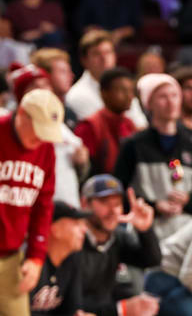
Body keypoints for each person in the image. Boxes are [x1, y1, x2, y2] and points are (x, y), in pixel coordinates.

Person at [114, 73, 192, 239]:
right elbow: (120, 192)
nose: (170, 102)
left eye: (174, 95)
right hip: (145, 233)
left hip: (185, 233)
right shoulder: (134, 145)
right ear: (149, 104)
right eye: (163, 97)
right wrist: (154, 206)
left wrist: (188, 201)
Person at [0, 89, 63, 316]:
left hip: (11, 257)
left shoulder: (45, 149)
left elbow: (43, 206)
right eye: (38, 129)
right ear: (22, 114)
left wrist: (36, 256)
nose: (40, 138)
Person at [78, 174, 161, 316]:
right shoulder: (72, 240)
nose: (113, 211)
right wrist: (120, 309)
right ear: (85, 203)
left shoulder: (118, 237)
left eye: (117, 204)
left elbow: (151, 260)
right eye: (105, 203)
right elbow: (69, 302)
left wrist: (145, 230)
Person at [9, 64, 89, 209]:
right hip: (28, 204)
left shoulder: (58, 124)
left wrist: (82, 161)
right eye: (34, 86)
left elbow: (81, 166)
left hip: (67, 203)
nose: (42, 90)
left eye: (45, 84)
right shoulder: (11, 127)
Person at [65, 29, 147, 129]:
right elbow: (103, 130)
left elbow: (141, 125)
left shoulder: (125, 86)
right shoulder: (77, 95)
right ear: (84, 60)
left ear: (115, 56)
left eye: (108, 52)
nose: (104, 58)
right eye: (96, 54)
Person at [29, 201, 92, 316]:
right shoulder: (31, 261)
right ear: (54, 228)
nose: (84, 230)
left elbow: (71, 309)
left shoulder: (73, 258)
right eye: (76, 223)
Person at [74, 67, 137, 176]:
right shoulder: (89, 127)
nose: (129, 96)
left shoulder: (129, 124)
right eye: (122, 90)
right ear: (104, 93)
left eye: (131, 90)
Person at [29, 48, 77, 129]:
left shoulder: (69, 112)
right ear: (45, 75)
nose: (71, 75)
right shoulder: (35, 113)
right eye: (63, 71)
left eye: (69, 71)